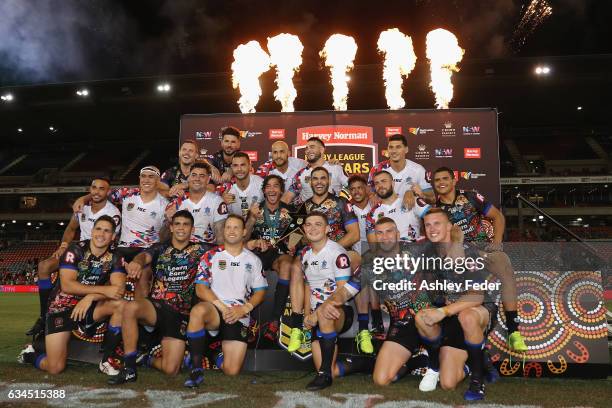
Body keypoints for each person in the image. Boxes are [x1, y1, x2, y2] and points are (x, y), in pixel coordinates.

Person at [316, 217, 432, 386]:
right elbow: (348, 290)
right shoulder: (370, 261)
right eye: (380, 233)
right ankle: (417, 361)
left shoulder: (416, 248)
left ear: (398, 233)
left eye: (389, 231)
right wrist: (326, 306)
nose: (385, 237)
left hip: (430, 318)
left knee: (447, 373)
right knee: (381, 379)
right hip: (402, 324)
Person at [107, 210, 209, 384]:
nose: (181, 228)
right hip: (157, 307)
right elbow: (143, 256)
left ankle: (146, 359)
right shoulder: (160, 248)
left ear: (192, 229)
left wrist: (250, 244)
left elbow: (226, 249)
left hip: (180, 314)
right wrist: (137, 263)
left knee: (171, 370)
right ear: (171, 227)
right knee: (129, 307)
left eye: (186, 224)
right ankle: (129, 368)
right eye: (177, 224)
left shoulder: (202, 249)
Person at [431, 166, 526, 352]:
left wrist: (497, 243)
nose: (441, 182)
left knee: (505, 266)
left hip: (484, 250)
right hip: (459, 254)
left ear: (453, 181)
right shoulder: (436, 210)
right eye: (437, 180)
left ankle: (514, 331)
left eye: (445, 178)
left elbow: (497, 217)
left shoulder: (470, 197)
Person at [18, 216, 126, 375]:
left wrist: (90, 298)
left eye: (107, 230)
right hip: (61, 307)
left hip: (90, 306)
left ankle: (106, 360)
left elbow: (117, 290)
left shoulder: (116, 256)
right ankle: (29, 355)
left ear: (113, 236)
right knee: (55, 368)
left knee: (120, 305)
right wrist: (103, 290)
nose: (101, 234)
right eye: (98, 229)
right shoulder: (75, 250)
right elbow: (68, 285)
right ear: (92, 230)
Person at [415, 208, 497, 401]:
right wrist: (441, 303)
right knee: (448, 382)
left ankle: (477, 381)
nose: (432, 228)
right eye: (428, 224)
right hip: (451, 312)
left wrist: (444, 310)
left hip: (477, 310)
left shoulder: (467, 252)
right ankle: (438, 366)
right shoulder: (428, 254)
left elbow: (476, 296)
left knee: (467, 316)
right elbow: (434, 293)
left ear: (449, 226)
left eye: (437, 223)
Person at [27, 178, 121, 336]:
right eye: (94, 188)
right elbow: (71, 229)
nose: (97, 192)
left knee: (65, 283)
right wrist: (63, 246)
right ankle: (44, 316)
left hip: (99, 254)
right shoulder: (82, 207)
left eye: (101, 189)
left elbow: (111, 240)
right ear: (89, 189)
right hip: (78, 250)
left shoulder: (113, 213)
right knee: (44, 266)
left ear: (108, 192)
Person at [183, 214, 268, 387]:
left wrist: (244, 309)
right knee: (198, 311)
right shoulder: (211, 255)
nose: (231, 231)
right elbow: (201, 288)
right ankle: (196, 369)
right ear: (223, 230)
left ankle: (212, 352)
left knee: (231, 371)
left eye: (236, 227)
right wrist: (223, 308)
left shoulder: (253, 259)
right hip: (215, 309)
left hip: (238, 314)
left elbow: (260, 291)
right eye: (228, 227)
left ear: (244, 232)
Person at [286, 167, 363, 353]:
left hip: (341, 251)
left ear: (329, 181)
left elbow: (355, 234)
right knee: (295, 266)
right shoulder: (303, 206)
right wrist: (292, 242)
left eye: (323, 178)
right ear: (310, 182)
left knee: (358, 261)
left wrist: (331, 249)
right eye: (315, 179)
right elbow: (294, 237)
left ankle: (365, 328)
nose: (319, 182)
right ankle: (297, 327)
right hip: (312, 254)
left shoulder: (341, 203)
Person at [75, 166, 169, 299]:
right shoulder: (127, 194)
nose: (146, 180)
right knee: (106, 274)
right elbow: (100, 192)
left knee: (142, 275)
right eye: (144, 176)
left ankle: (139, 312)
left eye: (151, 176)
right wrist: (83, 199)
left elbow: (166, 234)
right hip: (124, 247)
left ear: (158, 180)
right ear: (139, 179)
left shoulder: (165, 204)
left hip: (148, 249)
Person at [295, 212, 354, 390]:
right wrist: (307, 314)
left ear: (327, 229)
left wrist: (319, 313)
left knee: (326, 313)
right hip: (316, 314)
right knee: (331, 366)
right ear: (304, 229)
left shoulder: (337, 252)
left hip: (338, 310)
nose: (312, 228)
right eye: (309, 224)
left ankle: (324, 376)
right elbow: (308, 286)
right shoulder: (304, 254)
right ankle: (365, 364)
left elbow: (343, 291)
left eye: (318, 224)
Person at [245, 174, 298, 341]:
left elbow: (297, 234)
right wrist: (252, 218)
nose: (272, 189)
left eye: (276, 186)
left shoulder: (289, 211)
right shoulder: (255, 209)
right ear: (264, 191)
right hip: (258, 256)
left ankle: (275, 320)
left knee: (288, 266)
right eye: (268, 186)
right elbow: (244, 237)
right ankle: (250, 321)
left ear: (281, 190)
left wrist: (293, 244)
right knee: (245, 264)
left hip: (279, 255)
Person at [347, 175, 384, 341]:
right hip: (356, 251)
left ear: (367, 189)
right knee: (362, 269)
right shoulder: (346, 208)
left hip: (376, 249)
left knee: (370, 267)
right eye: (352, 189)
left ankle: (374, 318)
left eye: (359, 187)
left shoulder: (376, 204)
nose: (356, 191)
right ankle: (375, 319)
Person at [165, 162, 228, 248]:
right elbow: (164, 238)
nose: (197, 179)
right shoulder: (177, 203)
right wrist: (168, 221)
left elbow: (221, 238)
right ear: (189, 178)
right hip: (181, 249)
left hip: (206, 248)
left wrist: (218, 258)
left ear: (208, 179)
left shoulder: (217, 201)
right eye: (194, 175)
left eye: (202, 176)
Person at [368, 134, 434, 207]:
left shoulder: (418, 169)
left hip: (410, 215)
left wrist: (420, 194)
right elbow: (369, 193)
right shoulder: (377, 169)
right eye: (391, 147)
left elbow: (432, 198)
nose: (394, 151)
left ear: (406, 149)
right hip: (385, 215)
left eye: (398, 147)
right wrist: (372, 196)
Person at [365, 171, 430, 243]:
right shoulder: (371, 214)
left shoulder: (412, 200)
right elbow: (374, 246)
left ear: (393, 183)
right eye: (377, 183)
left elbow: (436, 217)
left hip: (414, 251)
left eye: (383, 181)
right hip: (389, 253)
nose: (380, 185)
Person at [282, 137, 348, 205]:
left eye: (312, 147)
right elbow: (287, 197)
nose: (308, 150)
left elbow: (352, 187)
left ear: (321, 150)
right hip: (308, 214)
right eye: (306, 148)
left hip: (332, 213)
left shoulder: (336, 168)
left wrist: (343, 204)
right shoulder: (301, 174)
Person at [217, 152, 264, 219]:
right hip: (237, 228)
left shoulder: (261, 184)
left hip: (258, 227)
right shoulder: (227, 190)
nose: (239, 169)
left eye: (243, 165)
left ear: (250, 166)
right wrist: (222, 203)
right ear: (231, 167)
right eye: (235, 165)